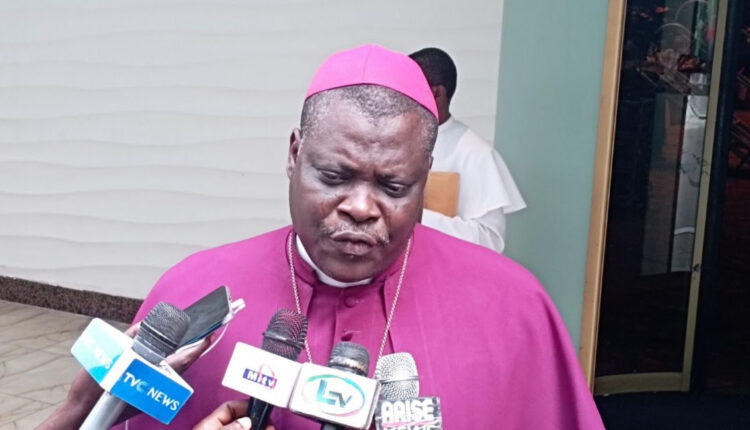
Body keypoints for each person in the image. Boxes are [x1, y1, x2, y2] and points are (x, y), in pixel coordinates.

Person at [45, 44, 603, 429]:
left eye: (393, 186)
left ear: (425, 177)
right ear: (294, 155)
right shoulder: (193, 290)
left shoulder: (515, 308)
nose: (361, 208)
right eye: (334, 177)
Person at [409, 47, 525, 253]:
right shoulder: (390, 141)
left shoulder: (476, 154)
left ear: (436, 93)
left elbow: (490, 240)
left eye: (408, 88)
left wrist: (414, 217)